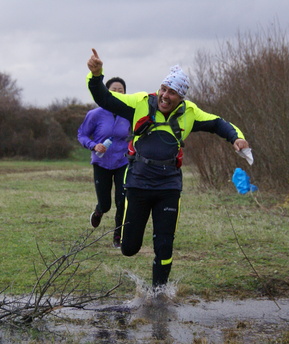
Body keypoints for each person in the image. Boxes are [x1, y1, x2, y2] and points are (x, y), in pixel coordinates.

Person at [86, 48, 251, 289]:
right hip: (138, 185)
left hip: (168, 187)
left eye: (172, 92)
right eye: (163, 89)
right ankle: (138, 258)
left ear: (181, 96)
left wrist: (236, 138)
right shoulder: (141, 102)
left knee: (164, 244)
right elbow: (104, 98)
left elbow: (218, 123)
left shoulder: (190, 113)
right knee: (129, 248)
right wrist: (97, 74)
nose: (165, 96)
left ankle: (159, 293)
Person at [77, 76, 131, 248]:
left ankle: (118, 236)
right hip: (101, 163)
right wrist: (94, 146)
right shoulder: (95, 114)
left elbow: (138, 134)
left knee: (123, 200)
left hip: (123, 163)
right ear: (106, 92)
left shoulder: (129, 113)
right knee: (106, 204)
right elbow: (82, 135)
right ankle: (99, 211)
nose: (117, 93)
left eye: (121, 90)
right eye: (113, 90)